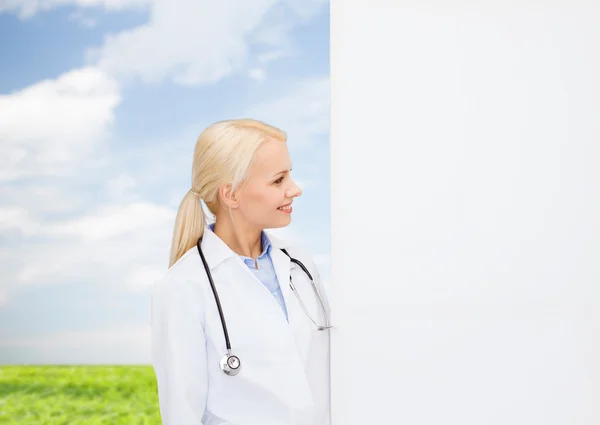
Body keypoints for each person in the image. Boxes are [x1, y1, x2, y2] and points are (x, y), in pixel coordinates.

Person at [150, 118, 331, 425]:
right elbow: (182, 412)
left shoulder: (299, 264)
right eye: (278, 180)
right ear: (231, 195)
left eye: (291, 176)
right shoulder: (183, 287)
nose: (295, 189)